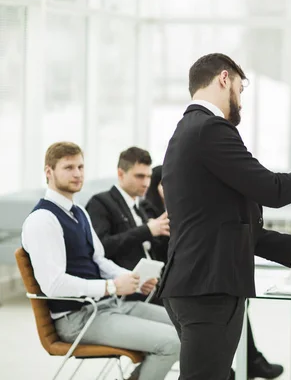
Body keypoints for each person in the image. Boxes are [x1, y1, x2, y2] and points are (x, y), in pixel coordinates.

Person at [157, 52, 291, 380]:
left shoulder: (187, 131)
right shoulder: (210, 129)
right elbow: (272, 189)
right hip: (208, 289)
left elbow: (222, 224)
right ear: (224, 78)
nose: (241, 99)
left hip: (195, 285)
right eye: (241, 87)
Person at [21, 142, 179, 380]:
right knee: (173, 342)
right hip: (78, 317)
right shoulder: (43, 220)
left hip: (107, 305)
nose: (77, 173)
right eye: (69, 167)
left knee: (188, 326)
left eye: (81, 167)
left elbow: (100, 260)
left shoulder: (79, 213)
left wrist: (131, 280)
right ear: (48, 172)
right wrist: (112, 286)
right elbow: (53, 284)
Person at [144, 165, 285, 379]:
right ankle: (248, 362)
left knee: (233, 305)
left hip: (189, 282)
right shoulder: (153, 213)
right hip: (174, 285)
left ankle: (246, 362)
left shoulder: (190, 207)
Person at [86, 147, 170, 273]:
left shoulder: (142, 207)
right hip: (124, 285)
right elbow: (101, 247)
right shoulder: (100, 203)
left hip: (151, 283)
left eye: (149, 177)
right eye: (139, 176)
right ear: (120, 174)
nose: (146, 183)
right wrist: (147, 230)